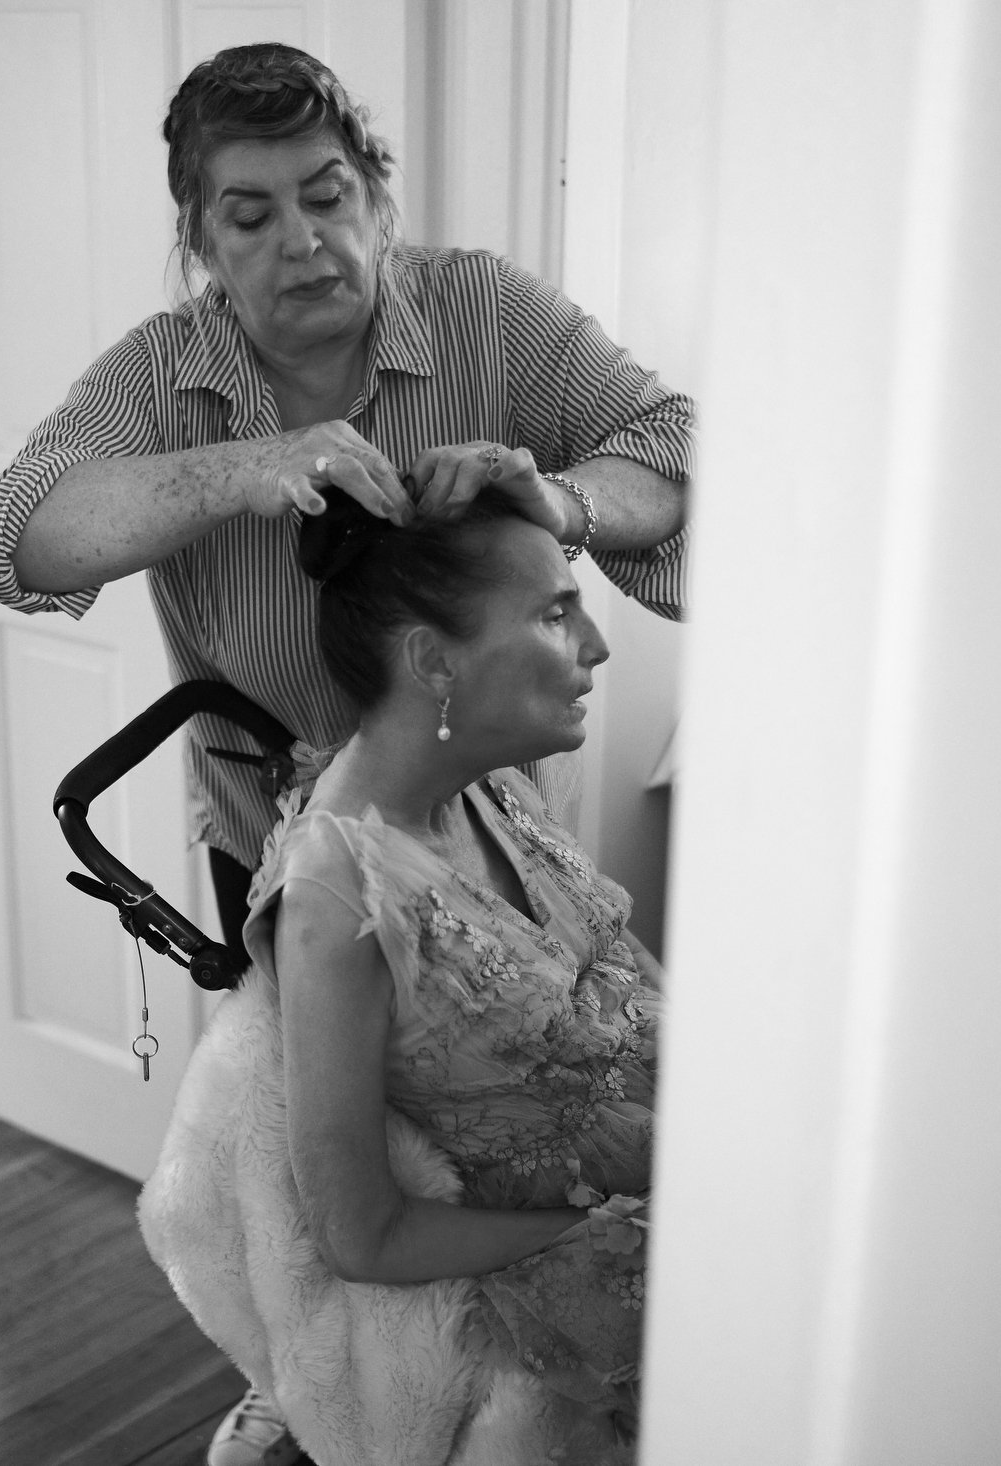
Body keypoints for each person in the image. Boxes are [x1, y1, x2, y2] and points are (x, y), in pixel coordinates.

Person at [0, 41, 691, 1465]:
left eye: (330, 193)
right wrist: (238, 471)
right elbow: (11, 532)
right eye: (252, 214)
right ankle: (326, 1375)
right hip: (290, 848)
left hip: (490, 846)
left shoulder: (483, 311)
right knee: (333, 1182)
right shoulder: (166, 379)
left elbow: (670, 444)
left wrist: (564, 496)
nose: (304, 240)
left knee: (504, 1116)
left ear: (378, 195)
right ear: (201, 243)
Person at [138, 490, 658, 1462]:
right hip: (591, 1289)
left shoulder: (489, 787)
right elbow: (360, 1234)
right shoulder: (338, 900)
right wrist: (624, 1212)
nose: (595, 644)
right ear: (431, 659)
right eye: (554, 612)